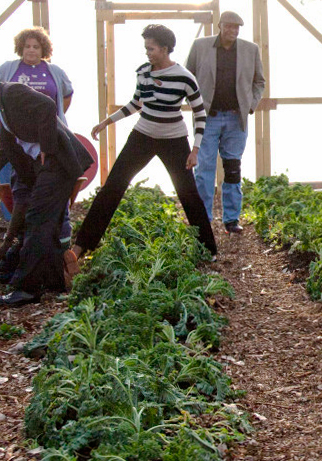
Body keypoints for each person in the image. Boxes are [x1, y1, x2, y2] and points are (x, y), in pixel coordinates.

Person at [68, 24, 217, 277]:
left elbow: (200, 113)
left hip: (174, 140)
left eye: (151, 48)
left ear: (165, 49)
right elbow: (136, 103)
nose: (147, 52)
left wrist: (195, 150)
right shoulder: (143, 72)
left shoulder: (184, 77)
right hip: (142, 136)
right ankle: (79, 247)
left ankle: (209, 249)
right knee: (113, 186)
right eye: (146, 48)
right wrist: (107, 122)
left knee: (188, 193)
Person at [0, 60, 90, 306]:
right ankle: (53, 281)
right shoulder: (3, 104)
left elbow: (47, 105)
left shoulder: (11, 91)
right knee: (48, 222)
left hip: (58, 163)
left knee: (36, 220)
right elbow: (6, 148)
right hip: (53, 165)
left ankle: (26, 289)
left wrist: (46, 148)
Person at [0, 27, 77, 278]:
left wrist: (47, 130)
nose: (31, 50)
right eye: (27, 46)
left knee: (54, 199)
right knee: (23, 193)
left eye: (36, 46)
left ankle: (61, 253)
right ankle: (21, 248)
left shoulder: (54, 72)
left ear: (44, 50)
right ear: (21, 48)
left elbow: (63, 99)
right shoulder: (8, 69)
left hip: (47, 144)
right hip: (20, 144)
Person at [184, 10, 266, 234]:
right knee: (204, 169)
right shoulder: (200, 46)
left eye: (237, 27)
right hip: (207, 118)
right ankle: (203, 220)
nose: (233, 31)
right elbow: (187, 77)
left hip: (235, 119)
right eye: (229, 26)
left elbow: (259, 82)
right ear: (220, 26)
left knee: (232, 168)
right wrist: (193, 103)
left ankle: (231, 219)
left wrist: (251, 105)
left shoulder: (250, 50)